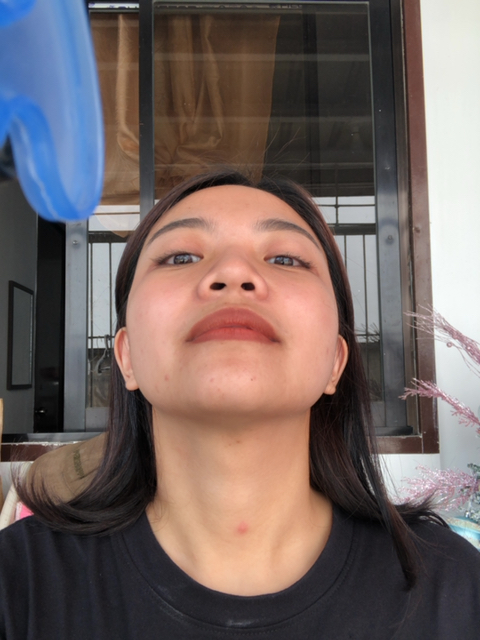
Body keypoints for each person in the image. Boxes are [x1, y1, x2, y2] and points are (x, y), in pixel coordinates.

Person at [0, 170, 479, 639]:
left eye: (286, 259)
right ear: (127, 358)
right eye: (181, 256)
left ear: (336, 362)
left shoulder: (453, 587)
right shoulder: (18, 586)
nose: (233, 273)